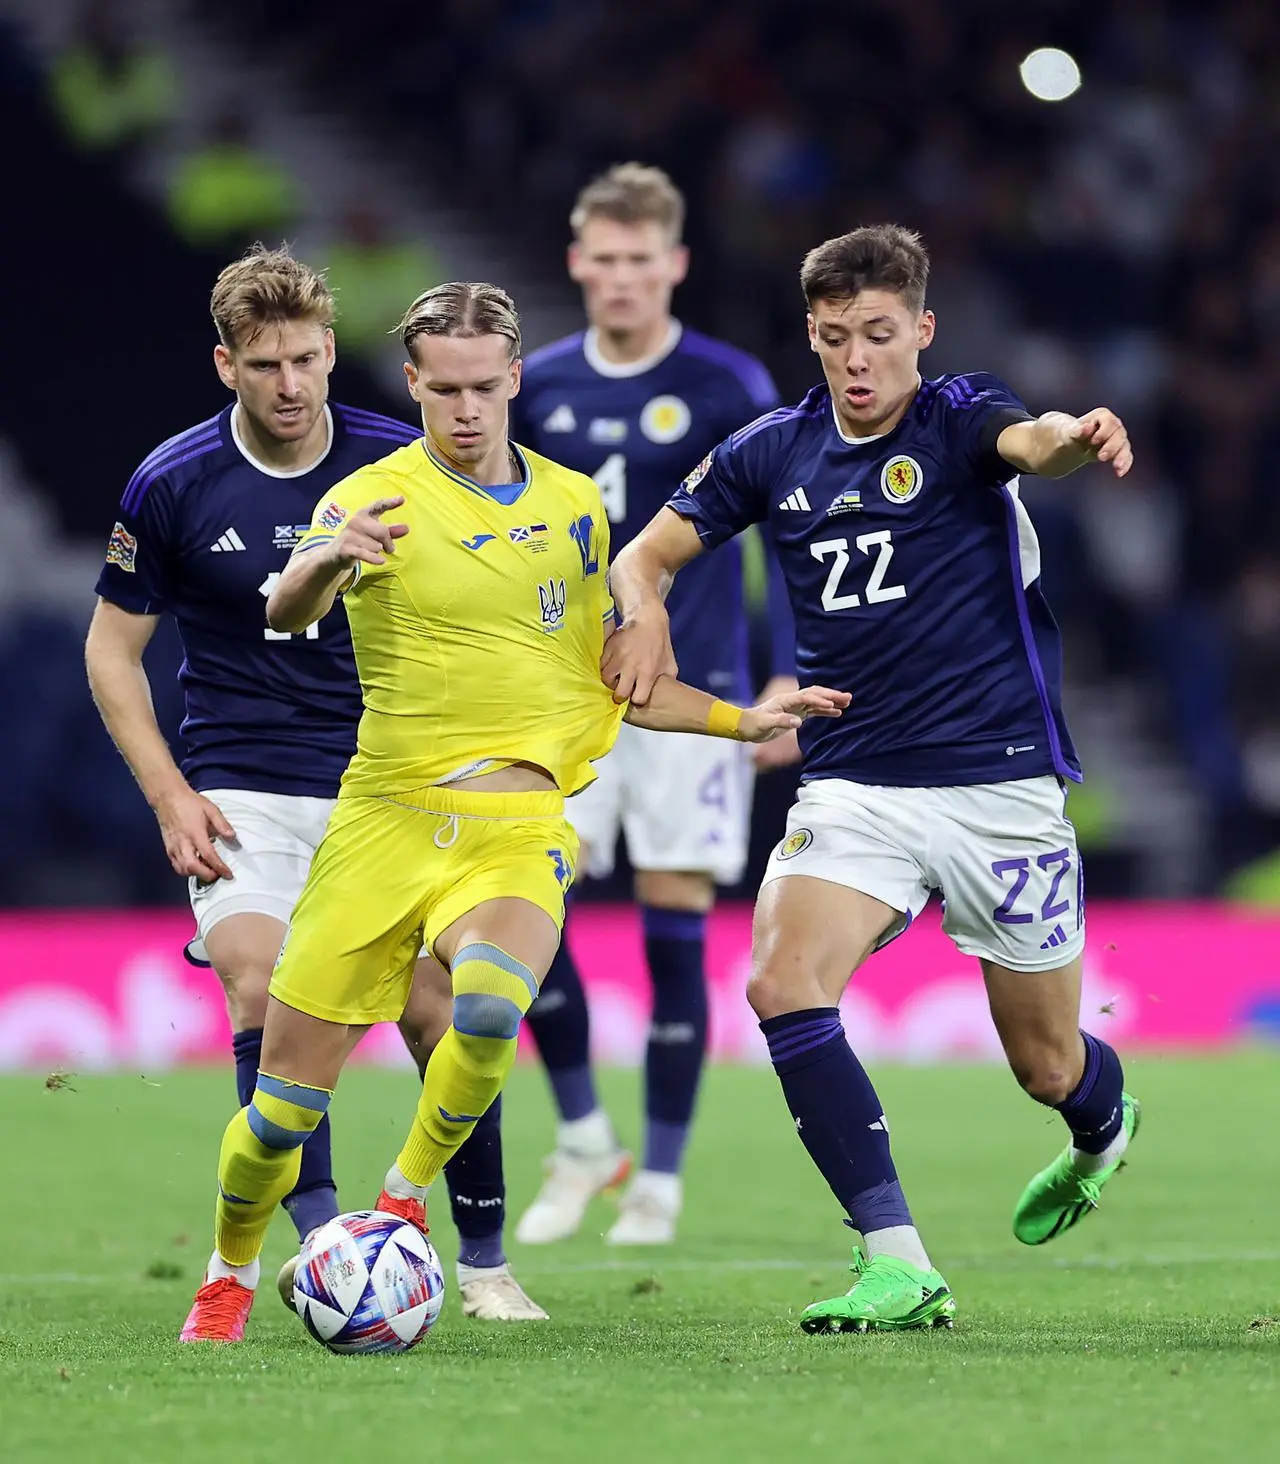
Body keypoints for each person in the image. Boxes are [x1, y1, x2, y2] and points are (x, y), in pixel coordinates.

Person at [174, 278, 846, 1342]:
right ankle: (226, 1270)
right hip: (384, 825)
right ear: (412, 385)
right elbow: (279, 605)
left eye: (485, 387)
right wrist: (322, 560)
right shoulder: (370, 499)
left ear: (515, 377)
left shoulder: (575, 507)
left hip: (517, 833)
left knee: (487, 1009)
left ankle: (397, 1204)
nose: (466, 409)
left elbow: (615, 676)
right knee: (280, 1116)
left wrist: (741, 723)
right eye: (442, 390)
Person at [602, 224, 1139, 1333]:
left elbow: (1030, 443)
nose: (856, 361)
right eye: (836, 338)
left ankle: (1102, 1126)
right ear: (811, 333)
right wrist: (642, 611)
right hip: (855, 789)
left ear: (920, 332)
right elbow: (639, 553)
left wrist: (1077, 435)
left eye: (879, 337)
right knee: (779, 983)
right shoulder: (769, 451)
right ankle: (896, 1260)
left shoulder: (956, 417)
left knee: (1044, 1065)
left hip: (1000, 788)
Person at [86, 245, 544, 1324]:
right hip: (246, 783)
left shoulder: (405, 463)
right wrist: (169, 795)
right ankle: (325, 1245)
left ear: (332, 352)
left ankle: (482, 1263)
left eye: (304, 359)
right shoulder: (174, 482)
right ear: (224, 365)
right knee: (263, 984)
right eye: (263, 364)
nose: (288, 385)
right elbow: (112, 654)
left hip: (394, 787)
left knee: (447, 1018)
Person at [511, 163, 797, 1247]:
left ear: (674, 264)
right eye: (605, 259)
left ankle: (660, 1179)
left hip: (695, 690)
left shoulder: (729, 384)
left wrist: (786, 664)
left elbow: (792, 527)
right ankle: (584, 1135)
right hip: (561, 700)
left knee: (674, 930)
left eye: (643, 260)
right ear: (577, 263)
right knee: (528, 915)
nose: (623, 278)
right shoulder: (533, 386)